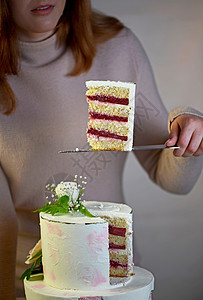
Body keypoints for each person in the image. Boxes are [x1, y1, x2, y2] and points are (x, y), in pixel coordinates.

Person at [0, 0, 202, 299]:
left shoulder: (116, 48)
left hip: (115, 280)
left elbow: (173, 179)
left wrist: (188, 131)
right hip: (28, 285)